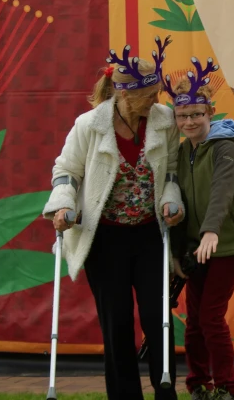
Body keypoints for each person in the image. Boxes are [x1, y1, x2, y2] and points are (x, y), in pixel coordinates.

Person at [42, 36, 185, 400]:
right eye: (149, 95)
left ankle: (165, 392)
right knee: (117, 323)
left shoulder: (164, 120)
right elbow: (66, 170)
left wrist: (171, 200)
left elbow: (171, 173)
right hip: (105, 239)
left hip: (150, 234)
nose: (157, 101)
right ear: (125, 95)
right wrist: (63, 205)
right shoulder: (89, 124)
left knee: (159, 320)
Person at [161, 58, 234, 400]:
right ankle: (198, 384)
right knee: (196, 319)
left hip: (226, 244)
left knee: (212, 317)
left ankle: (229, 388)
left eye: (196, 115)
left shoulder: (225, 147)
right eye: (183, 116)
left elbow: (222, 190)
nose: (189, 122)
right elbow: (177, 206)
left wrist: (213, 230)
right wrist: (176, 254)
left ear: (210, 113)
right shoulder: (184, 151)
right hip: (195, 249)